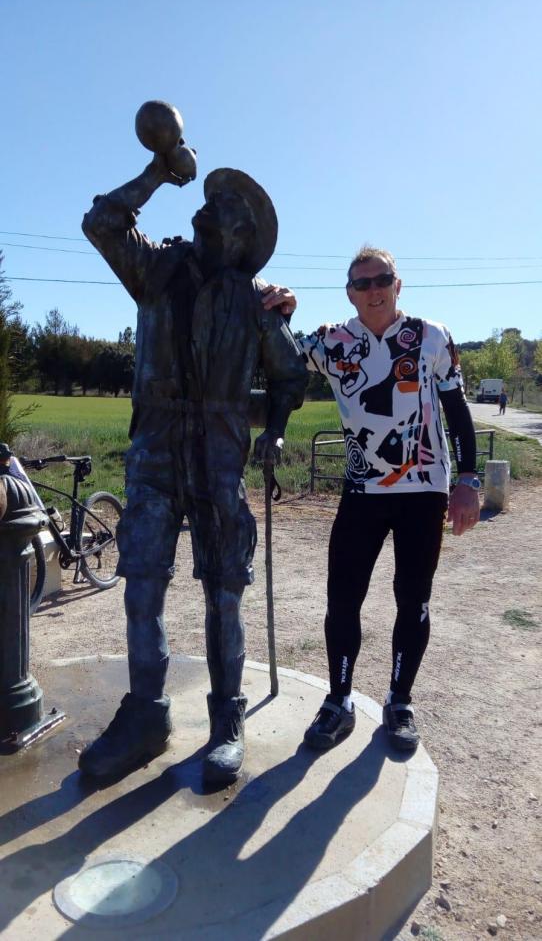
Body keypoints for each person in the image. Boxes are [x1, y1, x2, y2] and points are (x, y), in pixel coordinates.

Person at [79, 154, 307, 783]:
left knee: (223, 595)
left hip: (219, 460)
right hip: (155, 452)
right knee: (141, 586)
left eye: (225, 203)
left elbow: (290, 378)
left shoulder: (255, 303)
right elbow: (102, 222)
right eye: (209, 197)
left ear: (242, 235)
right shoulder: (157, 269)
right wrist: (157, 171)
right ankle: (145, 717)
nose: (208, 205)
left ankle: (227, 721)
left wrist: (277, 430)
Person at [262, 246, 480, 751]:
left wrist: (468, 481)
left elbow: (457, 410)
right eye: (362, 283)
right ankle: (338, 701)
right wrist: (284, 311)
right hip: (363, 491)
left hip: (424, 489)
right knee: (343, 598)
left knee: (413, 599)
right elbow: (279, 357)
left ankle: (399, 701)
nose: (374, 290)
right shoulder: (331, 341)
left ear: (398, 285)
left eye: (383, 280)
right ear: (350, 293)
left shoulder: (432, 336)